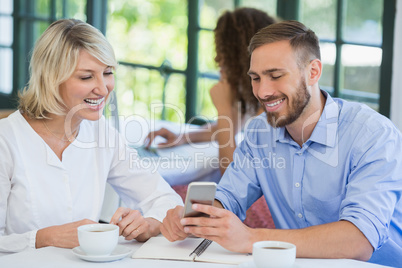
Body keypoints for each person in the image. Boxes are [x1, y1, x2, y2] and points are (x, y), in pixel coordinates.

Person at [160, 20, 402, 267]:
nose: (263, 92)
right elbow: (229, 196)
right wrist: (193, 217)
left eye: (275, 76)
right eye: (256, 78)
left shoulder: (373, 135)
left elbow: (359, 240)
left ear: (313, 72)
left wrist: (251, 238)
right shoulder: (259, 133)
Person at [0, 19, 183, 254]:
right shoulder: (6, 141)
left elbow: (165, 198)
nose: (103, 88)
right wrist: (43, 238)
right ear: (51, 79)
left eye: (107, 73)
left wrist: (148, 224)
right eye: (86, 77)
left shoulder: (102, 133)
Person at [145, 8, 277, 174]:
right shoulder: (257, 96)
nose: (217, 60)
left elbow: (233, 177)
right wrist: (182, 137)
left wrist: (224, 110)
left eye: (223, 52)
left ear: (241, 56)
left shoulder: (273, 107)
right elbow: (225, 129)